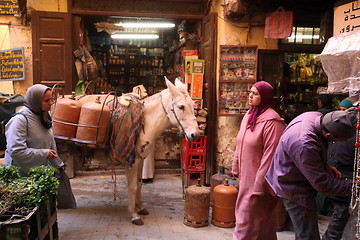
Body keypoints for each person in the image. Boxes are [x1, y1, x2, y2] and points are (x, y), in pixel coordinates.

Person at [265, 107, 358, 240]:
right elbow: (322, 185)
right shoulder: (305, 143)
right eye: (338, 141)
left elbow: (307, 158)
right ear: (329, 136)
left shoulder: (314, 116)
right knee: (307, 235)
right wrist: (354, 187)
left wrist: (324, 166)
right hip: (293, 188)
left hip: (294, 175)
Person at [231, 81, 285, 240]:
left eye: (255, 93)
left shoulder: (272, 123)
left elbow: (270, 157)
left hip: (259, 183)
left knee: (245, 224)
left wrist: (259, 185)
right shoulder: (249, 115)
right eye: (250, 92)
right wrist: (236, 166)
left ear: (265, 97)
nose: (250, 96)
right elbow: (239, 142)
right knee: (263, 225)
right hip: (246, 179)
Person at [4, 84, 65, 175]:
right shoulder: (20, 120)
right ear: (35, 101)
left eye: (51, 99)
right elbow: (16, 151)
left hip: (38, 173)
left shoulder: (43, 117)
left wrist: (57, 165)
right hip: (20, 176)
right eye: (46, 100)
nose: (51, 103)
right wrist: (44, 154)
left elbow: (50, 145)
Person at [322, 98, 355, 240]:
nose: (342, 114)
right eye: (340, 110)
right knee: (337, 218)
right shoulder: (334, 129)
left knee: (338, 218)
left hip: (345, 181)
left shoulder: (350, 133)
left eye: (345, 110)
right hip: (336, 180)